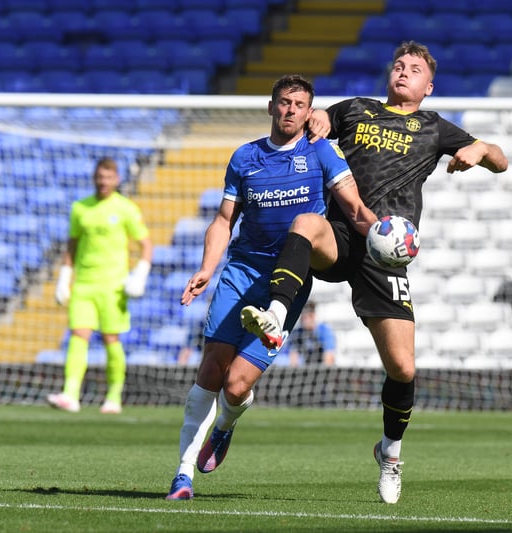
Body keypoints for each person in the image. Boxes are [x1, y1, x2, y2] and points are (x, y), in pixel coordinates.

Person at [242, 41, 508, 504]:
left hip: (385, 252)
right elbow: (316, 118)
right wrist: (320, 116)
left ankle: (390, 452)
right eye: (399, 65)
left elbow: (502, 162)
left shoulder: (434, 128)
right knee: (306, 223)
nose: (403, 71)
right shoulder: (358, 109)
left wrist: (481, 148)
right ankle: (277, 318)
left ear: (429, 86)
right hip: (343, 232)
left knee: (402, 368)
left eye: (415, 68)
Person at [165, 74, 377, 500]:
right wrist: (208, 267)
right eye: (284, 102)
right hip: (241, 270)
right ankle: (182, 473)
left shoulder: (321, 152)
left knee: (237, 386)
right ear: (271, 106)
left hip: (289, 279)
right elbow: (224, 221)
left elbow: (352, 206)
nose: (290, 110)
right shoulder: (245, 158)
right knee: (211, 367)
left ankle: (224, 427)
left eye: (299, 104)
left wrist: (382, 233)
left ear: (309, 110)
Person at [46, 157, 153, 415]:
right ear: (94, 178)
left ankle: (114, 396)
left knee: (110, 338)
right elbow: (71, 246)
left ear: (116, 180)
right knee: (78, 335)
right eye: (99, 177)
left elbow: (146, 245)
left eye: (107, 177)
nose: (102, 182)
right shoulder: (80, 208)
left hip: (113, 286)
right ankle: (70, 394)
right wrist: (64, 278)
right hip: (84, 284)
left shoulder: (126, 208)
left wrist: (139, 274)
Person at [287, 301, 336, 366]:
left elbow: (329, 358)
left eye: (310, 315)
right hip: (307, 370)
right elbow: (293, 360)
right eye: (304, 316)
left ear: (314, 315)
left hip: (323, 369)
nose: (307, 318)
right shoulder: (296, 334)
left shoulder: (324, 330)